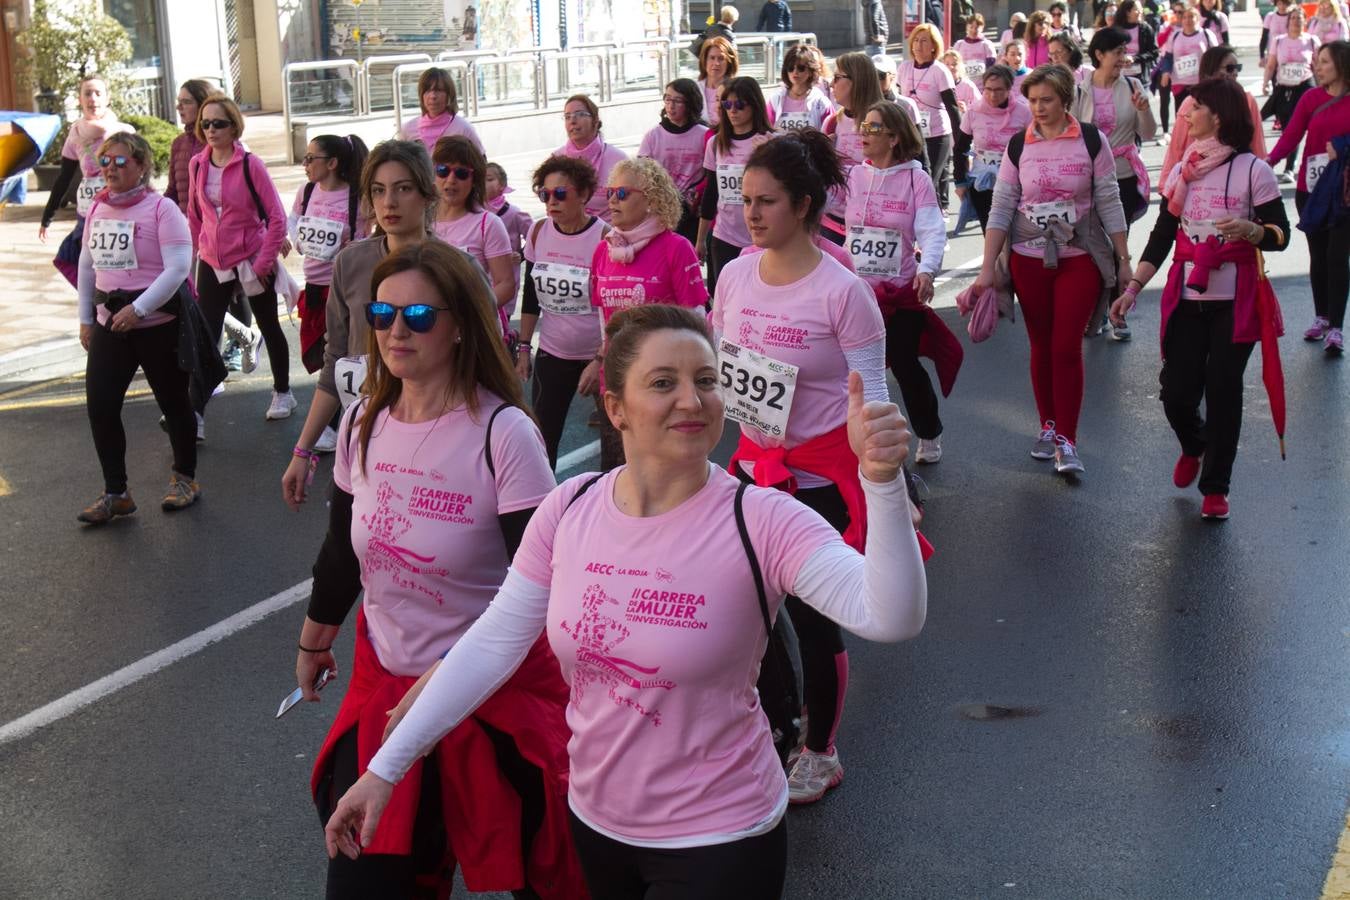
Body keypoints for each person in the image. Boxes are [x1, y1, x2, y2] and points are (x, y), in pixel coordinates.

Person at [322, 301, 927, 899]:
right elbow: (493, 642)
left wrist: (880, 480)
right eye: (664, 383)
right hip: (596, 823)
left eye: (706, 381)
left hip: (720, 836)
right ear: (616, 409)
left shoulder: (761, 518)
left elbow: (890, 614)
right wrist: (384, 769)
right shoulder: (569, 507)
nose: (691, 400)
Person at [297, 240, 584, 898]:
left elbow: (542, 586)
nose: (397, 331)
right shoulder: (363, 421)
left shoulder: (503, 432)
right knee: (367, 881)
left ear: (458, 325)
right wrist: (315, 638)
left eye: (419, 316)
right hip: (386, 690)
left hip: (492, 691)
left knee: (549, 877)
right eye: (382, 314)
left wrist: (450, 673)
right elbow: (343, 550)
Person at [711, 129, 892, 805]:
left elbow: (872, 393)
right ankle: (775, 722)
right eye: (746, 200)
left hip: (816, 483)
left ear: (806, 204)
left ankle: (821, 750)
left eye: (767, 202)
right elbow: (721, 365)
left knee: (815, 623)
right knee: (738, 612)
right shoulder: (733, 275)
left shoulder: (842, 292)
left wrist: (886, 484)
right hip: (749, 473)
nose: (751, 214)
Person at [1109, 77, 1290, 519]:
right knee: (1176, 393)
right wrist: (1132, 288)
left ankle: (1216, 486)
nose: (1185, 115)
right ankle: (1195, 443)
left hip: (1238, 298)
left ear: (1219, 117)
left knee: (1224, 387)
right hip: (1189, 297)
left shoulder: (1254, 170)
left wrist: (1254, 232)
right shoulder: (1183, 170)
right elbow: (1163, 235)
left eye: (1194, 108)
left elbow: (1280, 235)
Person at [973, 64, 1132, 475]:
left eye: (1047, 100)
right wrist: (987, 267)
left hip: (1079, 258)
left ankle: (1068, 439)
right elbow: (1002, 206)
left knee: (1065, 347)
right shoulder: (1018, 146)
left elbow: (1110, 200)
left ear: (1065, 100)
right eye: (1033, 101)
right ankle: (1047, 426)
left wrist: (1125, 259)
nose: (1039, 108)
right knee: (1041, 345)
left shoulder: (1091, 140)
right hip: (1029, 258)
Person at [282, 140, 442, 510]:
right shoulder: (350, 263)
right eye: (378, 190)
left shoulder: (458, 270)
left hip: (431, 447)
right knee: (340, 559)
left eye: (403, 189)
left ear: (426, 195)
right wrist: (301, 450)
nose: (389, 203)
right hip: (362, 441)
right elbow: (335, 361)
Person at [76, 132, 200, 523]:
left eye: (120, 161)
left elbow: (179, 268)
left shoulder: (163, 210)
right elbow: (86, 265)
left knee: (174, 403)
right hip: (111, 322)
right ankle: (117, 493)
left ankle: (184, 479)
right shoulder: (98, 208)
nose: (110, 168)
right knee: (101, 405)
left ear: (142, 166)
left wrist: (141, 308)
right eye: (105, 161)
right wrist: (84, 318)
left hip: (156, 323)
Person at [848, 102, 954, 465]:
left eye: (874, 128)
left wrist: (928, 269)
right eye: (863, 126)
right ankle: (856, 437)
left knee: (906, 367)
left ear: (894, 138)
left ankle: (929, 432)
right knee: (855, 373)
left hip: (900, 294)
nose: (864, 133)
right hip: (858, 293)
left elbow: (931, 227)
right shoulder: (854, 176)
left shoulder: (915, 178)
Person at [593, 159, 710, 470]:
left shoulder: (676, 248)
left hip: (663, 386)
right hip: (618, 381)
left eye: (622, 193)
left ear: (651, 200)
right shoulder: (603, 250)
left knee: (667, 472)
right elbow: (603, 320)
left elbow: (697, 322)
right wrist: (600, 363)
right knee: (618, 470)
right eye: (609, 192)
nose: (613, 200)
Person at [186, 93, 293, 423]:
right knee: (207, 333)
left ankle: (283, 392)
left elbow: (277, 218)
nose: (211, 130)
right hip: (213, 260)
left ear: (234, 127)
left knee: (269, 325)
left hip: (250, 257)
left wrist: (263, 264)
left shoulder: (251, 164)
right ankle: (195, 411)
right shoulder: (198, 164)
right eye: (205, 124)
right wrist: (192, 261)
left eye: (218, 123)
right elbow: (194, 215)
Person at [517, 156, 608, 468]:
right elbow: (530, 295)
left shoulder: (605, 238)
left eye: (561, 194)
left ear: (583, 195)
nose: (551, 201)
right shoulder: (538, 232)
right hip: (553, 353)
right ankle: (543, 511)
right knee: (542, 441)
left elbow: (615, 306)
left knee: (615, 445)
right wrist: (524, 346)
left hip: (599, 355)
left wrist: (601, 359)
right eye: (545, 194)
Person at [289, 135, 371, 452]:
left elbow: (366, 233)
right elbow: (294, 219)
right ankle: (338, 417)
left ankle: (337, 423)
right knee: (315, 352)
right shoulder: (307, 191)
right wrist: (299, 239)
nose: (306, 165)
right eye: (305, 159)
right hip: (313, 284)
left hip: (344, 286)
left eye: (312, 159)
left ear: (332, 163)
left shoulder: (356, 198)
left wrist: (351, 250)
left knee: (338, 354)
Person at [1268, 40, 1350, 354]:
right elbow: (1291, 137)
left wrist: (1343, 147)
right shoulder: (1310, 98)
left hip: (1343, 193)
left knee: (1337, 256)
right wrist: (1267, 163)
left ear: (1342, 65)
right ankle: (1321, 317)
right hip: (1311, 191)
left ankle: (1337, 329)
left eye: (1325, 62)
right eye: (1317, 61)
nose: (1317, 66)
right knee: (1318, 255)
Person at [1074, 27, 1158, 249]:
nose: (1124, 58)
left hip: (1123, 175)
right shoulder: (1079, 91)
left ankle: (1118, 281)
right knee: (1090, 243)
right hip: (1088, 178)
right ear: (1100, 55)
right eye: (1118, 53)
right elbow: (1070, 137)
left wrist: (1143, 110)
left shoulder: (1133, 85)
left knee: (1118, 242)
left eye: (1125, 52)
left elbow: (1148, 133)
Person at [40, 75, 129, 285]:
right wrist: (47, 216)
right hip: (87, 213)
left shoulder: (122, 133)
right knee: (72, 259)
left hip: (117, 212)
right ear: (80, 99)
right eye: (87, 93)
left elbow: (139, 173)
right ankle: (94, 309)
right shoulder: (75, 133)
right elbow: (64, 176)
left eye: (98, 93)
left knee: (117, 269)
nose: (93, 98)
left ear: (107, 98)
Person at [697, 76, 775, 296]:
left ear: (754, 105)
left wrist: (769, 154)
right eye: (727, 104)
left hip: (760, 236)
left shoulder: (770, 141)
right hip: (725, 235)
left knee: (758, 296)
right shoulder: (716, 143)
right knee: (724, 296)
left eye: (740, 104)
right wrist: (701, 239)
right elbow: (711, 192)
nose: (733, 110)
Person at [431, 136, 517, 318]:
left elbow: (506, 285)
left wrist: (467, 314)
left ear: (474, 179)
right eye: (443, 170)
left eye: (461, 173)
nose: (451, 179)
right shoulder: (420, 220)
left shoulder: (489, 224)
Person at [1164, 46, 1267, 181]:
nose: (1235, 72)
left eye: (1238, 67)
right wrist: (1167, 183)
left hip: (1237, 177)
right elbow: (1177, 148)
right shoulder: (1190, 102)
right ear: (1211, 70)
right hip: (1197, 176)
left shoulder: (1247, 100)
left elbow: (1256, 142)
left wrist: (1261, 175)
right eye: (1229, 68)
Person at [957, 64, 1033, 232]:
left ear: (1008, 89)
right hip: (982, 181)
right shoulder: (973, 112)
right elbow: (960, 148)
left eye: (998, 90)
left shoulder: (1024, 112)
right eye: (988, 89)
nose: (992, 95)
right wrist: (960, 181)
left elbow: (1034, 149)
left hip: (1015, 182)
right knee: (991, 231)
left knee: (1014, 232)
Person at [823, 52, 887, 244]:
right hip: (833, 220)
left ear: (856, 80)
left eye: (837, 77)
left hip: (871, 221)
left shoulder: (876, 120)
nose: (831, 84)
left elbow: (887, 163)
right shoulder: (833, 122)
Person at [638, 78, 710, 246]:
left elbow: (710, 173)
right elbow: (641, 172)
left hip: (692, 212)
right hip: (661, 209)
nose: (671, 105)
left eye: (677, 101)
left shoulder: (704, 134)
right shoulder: (653, 135)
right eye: (668, 99)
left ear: (691, 103)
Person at [901, 24, 963, 213]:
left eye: (924, 41)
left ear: (934, 46)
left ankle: (934, 226)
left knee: (928, 181)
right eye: (916, 40)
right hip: (911, 135)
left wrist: (961, 143)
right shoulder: (904, 68)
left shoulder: (940, 71)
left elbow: (953, 109)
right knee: (912, 184)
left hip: (937, 135)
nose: (918, 45)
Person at [1263, 7, 1320, 182]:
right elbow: (1271, 64)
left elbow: (1318, 66)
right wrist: (1265, 83)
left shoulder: (1311, 40)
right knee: (1260, 116)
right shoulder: (1279, 40)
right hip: (1283, 87)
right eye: (1293, 18)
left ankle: (1289, 168)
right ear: (1288, 21)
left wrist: (1323, 87)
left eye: (1300, 18)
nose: (1296, 21)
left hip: (1304, 85)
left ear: (1305, 21)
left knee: (1295, 127)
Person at [555, 94, 629, 223]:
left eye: (580, 114)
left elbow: (630, 205)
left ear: (595, 120)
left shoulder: (619, 159)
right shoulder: (556, 160)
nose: (572, 121)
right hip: (569, 232)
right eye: (567, 117)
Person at [485, 160, 534, 316]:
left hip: (506, 280)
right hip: (481, 279)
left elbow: (535, 238)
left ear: (502, 185)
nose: (483, 184)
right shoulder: (474, 214)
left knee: (502, 318)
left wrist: (521, 254)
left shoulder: (514, 213)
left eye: (489, 179)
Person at [396, 67, 483, 155]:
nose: (433, 96)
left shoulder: (464, 129)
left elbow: (481, 163)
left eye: (438, 90)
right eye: (427, 91)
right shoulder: (407, 129)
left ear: (449, 94)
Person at [770, 43, 836, 132]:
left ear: (810, 70)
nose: (795, 72)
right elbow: (765, 130)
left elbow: (830, 132)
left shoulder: (820, 102)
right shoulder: (775, 100)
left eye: (801, 68)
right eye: (790, 68)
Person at [697, 36, 740, 126]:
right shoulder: (695, 88)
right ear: (704, 61)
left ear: (729, 62)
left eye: (721, 58)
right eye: (712, 58)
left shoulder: (737, 89)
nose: (716, 63)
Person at [1114, 1, 1160, 85]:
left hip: (1141, 79)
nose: (1140, 12)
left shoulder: (1146, 29)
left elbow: (1154, 52)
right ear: (1127, 12)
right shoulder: (1116, 29)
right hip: (1119, 78)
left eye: (1141, 9)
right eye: (1137, 9)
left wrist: (1134, 59)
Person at [956, 13, 999, 83]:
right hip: (963, 86)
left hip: (981, 86)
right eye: (971, 27)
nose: (973, 30)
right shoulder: (959, 44)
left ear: (982, 28)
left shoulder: (987, 45)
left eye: (977, 28)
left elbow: (991, 68)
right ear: (967, 26)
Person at [1261, 0, 1296, 66]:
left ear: (1288, 4)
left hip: (1287, 55)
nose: (1282, 6)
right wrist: (1262, 56)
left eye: (1284, 4)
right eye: (1279, 3)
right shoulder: (1270, 16)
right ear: (1276, 4)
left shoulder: (1291, 17)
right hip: (1272, 54)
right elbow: (1264, 37)